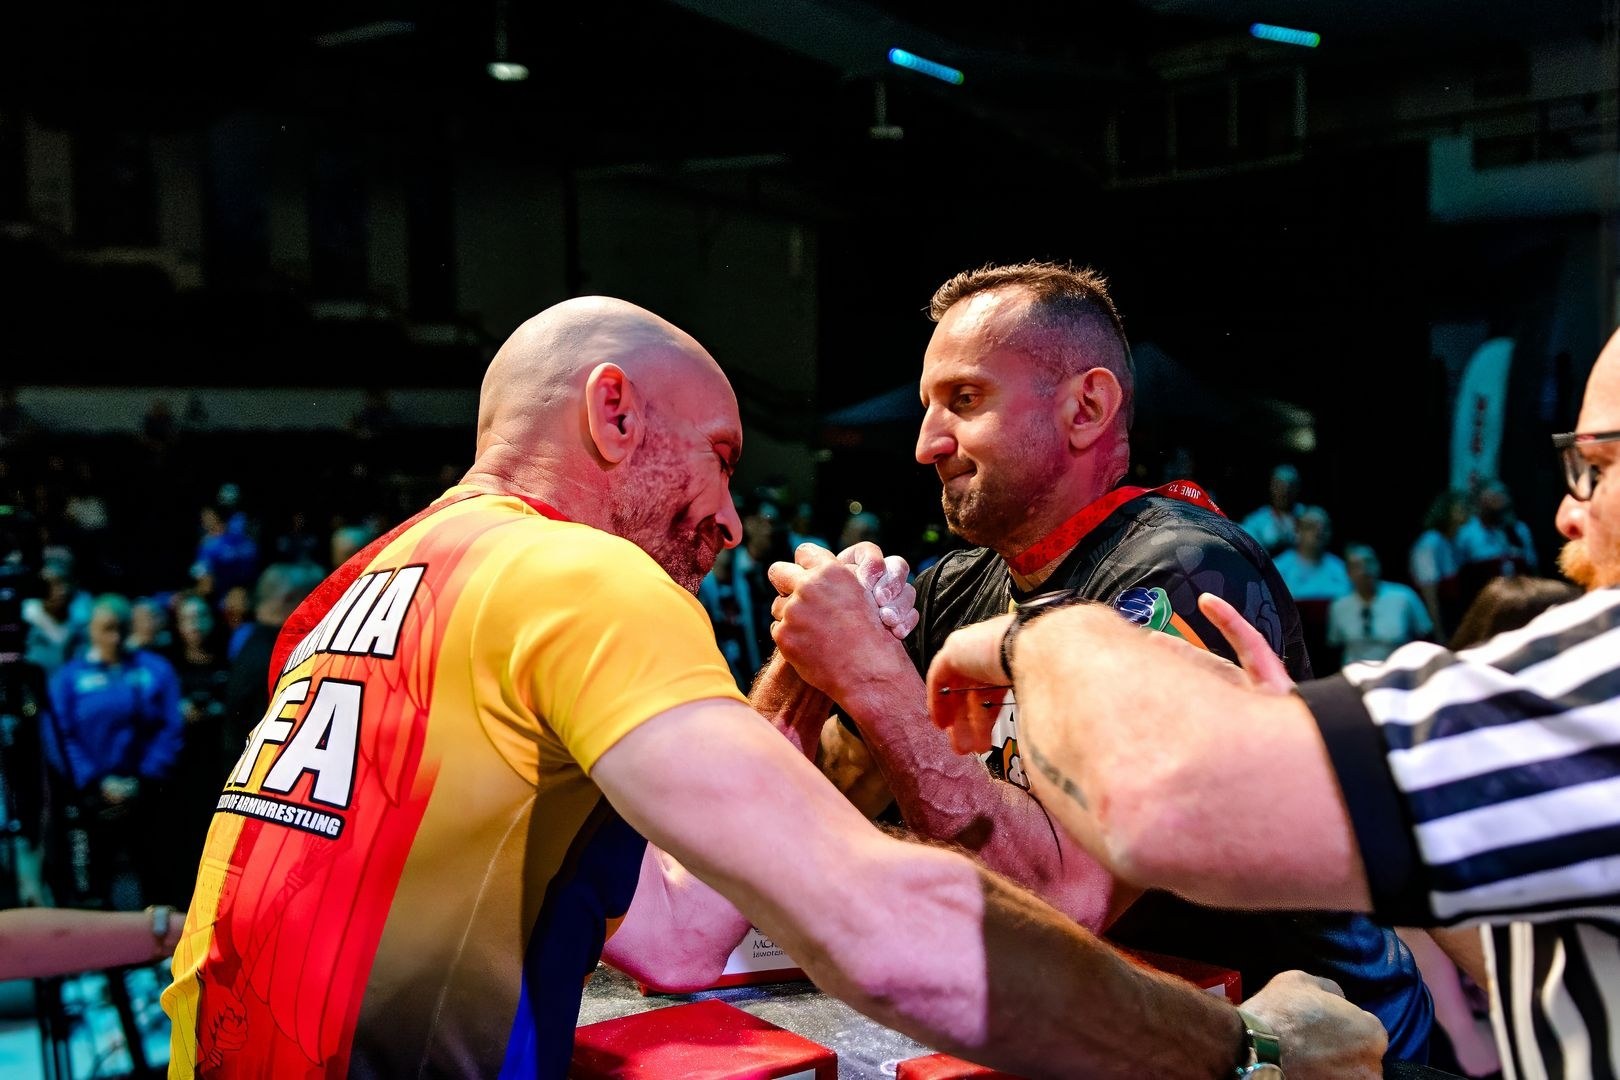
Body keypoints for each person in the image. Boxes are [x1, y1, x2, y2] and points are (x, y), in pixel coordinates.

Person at [162, 296, 1384, 1079]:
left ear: (1091, 406)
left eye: (961, 400)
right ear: (613, 410)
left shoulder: (349, 590)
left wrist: (826, 684)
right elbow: (852, 912)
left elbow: (694, 924)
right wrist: (1247, 1053)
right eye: (721, 461)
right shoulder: (580, 577)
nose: (731, 523)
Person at [763, 261, 1429, 1058]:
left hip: (1310, 1047)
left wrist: (874, 678)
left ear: (1086, 407)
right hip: (1125, 1029)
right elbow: (793, 810)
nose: (926, 444)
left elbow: (1061, 900)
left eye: (964, 400)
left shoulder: (1185, 571)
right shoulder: (957, 584)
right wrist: (812, 653)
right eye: (928, 407)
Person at [924, 323, 1620, 1079]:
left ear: (1087, 408)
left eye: (1599, 465)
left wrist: (1032, 636)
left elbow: (1142, 816)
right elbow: (1533, 948)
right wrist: (1320, 762)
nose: (1567, 512)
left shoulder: (1183, 555)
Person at [43, 594, 184, 909]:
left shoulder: (155, 669)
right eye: (107, 629)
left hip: (146, 791)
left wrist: (145, 777)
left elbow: (171, 726)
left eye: (121, 629)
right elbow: (59, 735)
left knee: (154, 877)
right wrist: (96, 781)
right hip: (92, 796)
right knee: (97, 882)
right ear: (91, 630)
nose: (115, 638)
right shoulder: (68, 678)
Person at [1325, 544, 1431, 667]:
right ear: (1348, 573)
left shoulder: (1404, 597)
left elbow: (1426, 635)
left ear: (1378, 565)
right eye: (1356, 566)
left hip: (1398, 672)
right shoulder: (1339, 605)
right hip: (1354, 674)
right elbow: (1334, 646)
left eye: (1369, 562)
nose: (1364, 570)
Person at [1407, 489, 1470, 638]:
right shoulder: (1430, 542)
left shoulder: (1452, 542)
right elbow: (1430, 594)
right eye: (1461, 508)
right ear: (1446, 511)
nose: (1466, 512)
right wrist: (1439, 634)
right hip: (1433, 621)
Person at [1240, 464, 1303, 556]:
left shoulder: (1306, 516)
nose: (1283, 492)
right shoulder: (1257, 520)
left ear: (1297, 489)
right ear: (1271, 487)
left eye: (1289, 487)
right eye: (1279, 486)